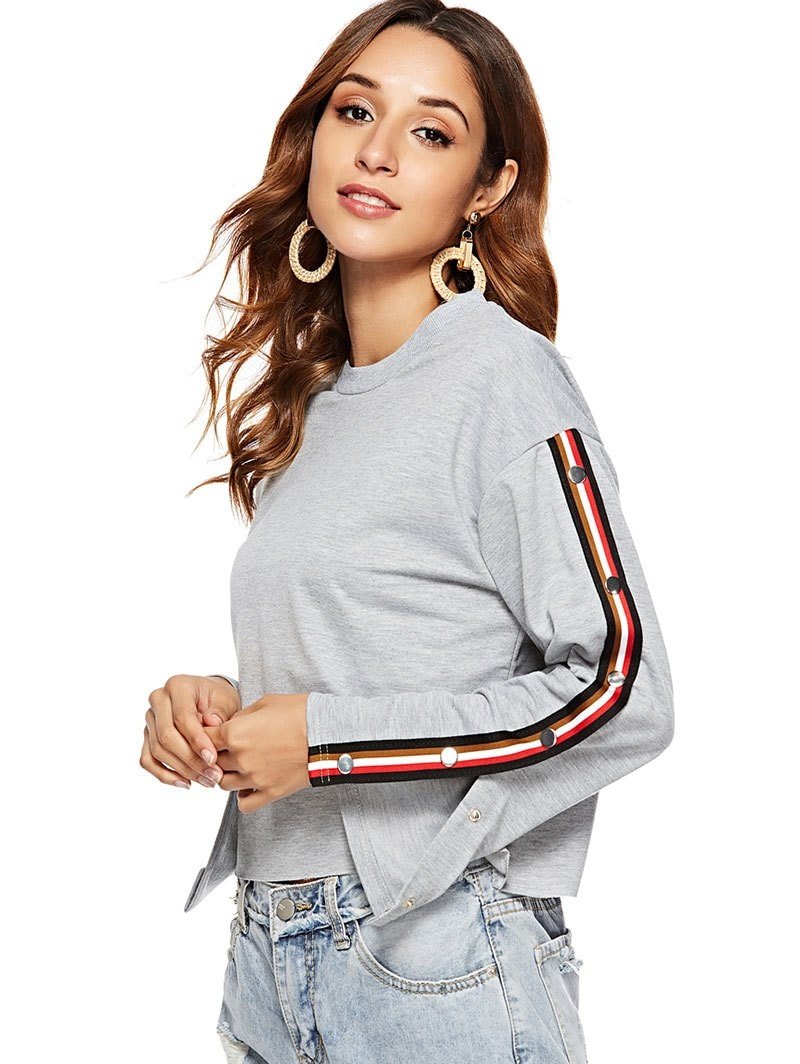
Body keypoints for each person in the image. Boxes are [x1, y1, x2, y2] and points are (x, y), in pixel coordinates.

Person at [140, 3, 674, 1061]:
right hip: (271, 948)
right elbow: (378, 659)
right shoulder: (316, 404)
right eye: (354, 111)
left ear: (487, 189)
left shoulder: (502, 375)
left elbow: (623, 687)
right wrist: (221, 711)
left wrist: (325, 742)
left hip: (431, 956)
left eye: (430, 131)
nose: (377, 151)